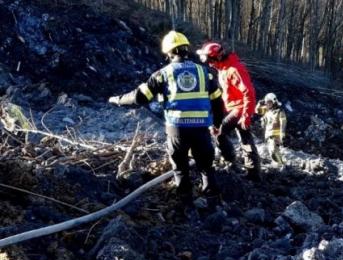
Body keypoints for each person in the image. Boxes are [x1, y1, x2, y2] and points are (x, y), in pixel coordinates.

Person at [108, 31, 225, 208]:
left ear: (168, 53)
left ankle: (186, 205)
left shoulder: (162, 74)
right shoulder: (205, 73)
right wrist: (216, 125)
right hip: (201, 129)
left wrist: (118, 99)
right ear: (187, 50)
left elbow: (140, 97)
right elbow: (218, 102)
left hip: (176, 130)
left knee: (180, 168)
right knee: (206, 167)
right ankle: (214, 206)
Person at [196, 42, 261, 181]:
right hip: (233, 108)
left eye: (210, 61)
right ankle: (253, 173)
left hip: (240, 108)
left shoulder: (234, 69)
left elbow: (249, 92)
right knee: (245, 139)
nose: (209, 64)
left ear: (217, 57)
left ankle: (231, 160)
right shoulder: (223, 68)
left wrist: (246, 116)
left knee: (218, 131)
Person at [256, 93, 287, 166]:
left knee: (273, 150)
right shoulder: (266, 110)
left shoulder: (280, 111)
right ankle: (280, 164)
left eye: (269, 102)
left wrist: (282, 134)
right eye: (266, 102)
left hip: (276, 135)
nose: (267, 103)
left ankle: (280, 164)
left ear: (274, 102)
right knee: (272, 151)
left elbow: (283, 122)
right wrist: (259, 104)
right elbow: (257, 111)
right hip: (268, 135)